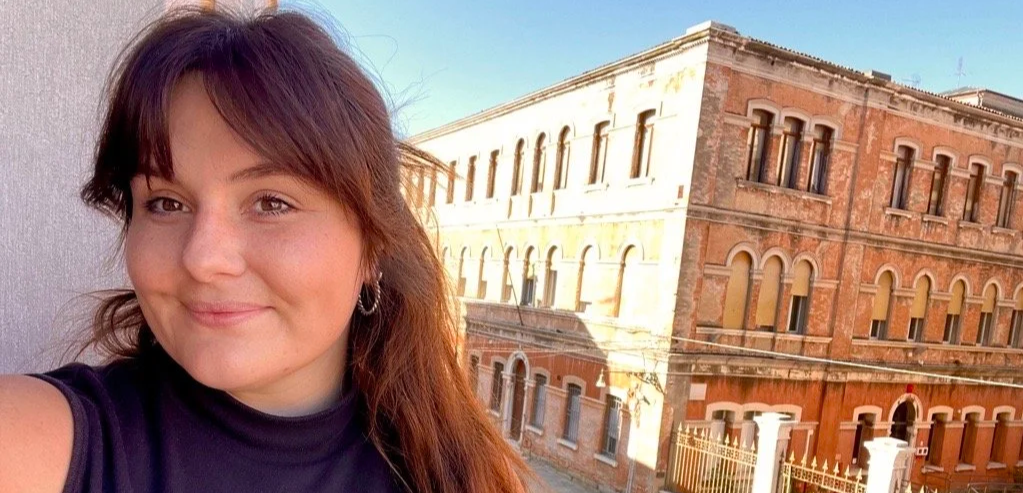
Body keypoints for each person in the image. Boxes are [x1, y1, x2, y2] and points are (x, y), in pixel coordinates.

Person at [0, 6, 530, 493]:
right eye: (164, 203)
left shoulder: (471, 474)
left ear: (372, 247)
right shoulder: (46, 444)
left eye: (272, 203)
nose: (203, 258)